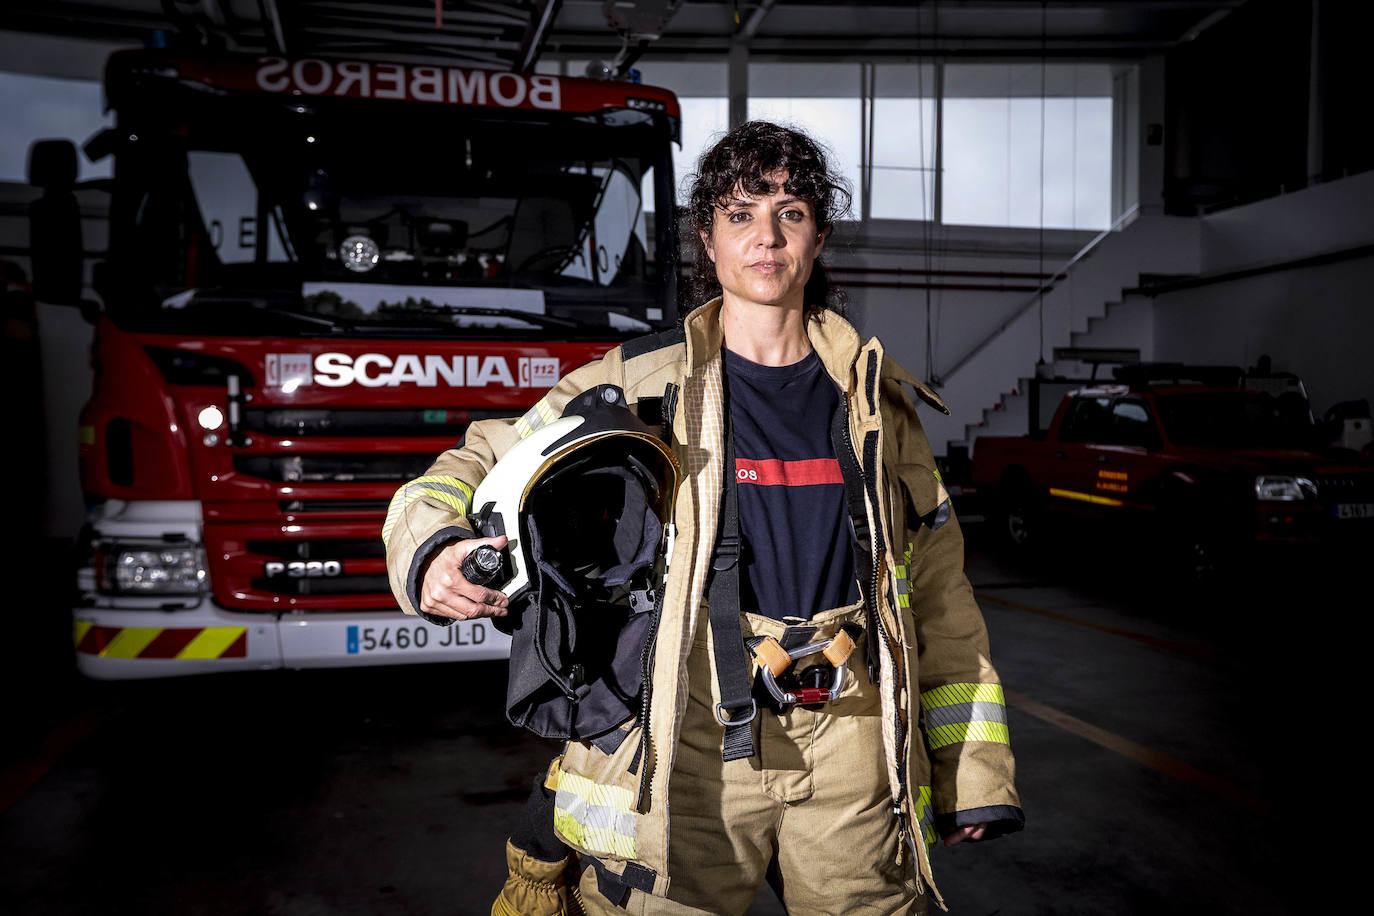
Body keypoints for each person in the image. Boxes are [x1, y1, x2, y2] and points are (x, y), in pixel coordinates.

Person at [384, 121, 1023, 915]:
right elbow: (475, 459)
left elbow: (938, 595)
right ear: (708, 241)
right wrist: (432, 547)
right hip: (693, 737)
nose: (767, 236)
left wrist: (973, 771)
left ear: (818, 237)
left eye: (790, 212)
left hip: (856, 740)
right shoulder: (640, 384)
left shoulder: (880, 405)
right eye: (741, 213)